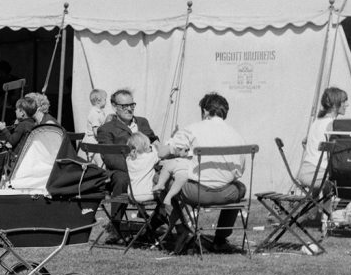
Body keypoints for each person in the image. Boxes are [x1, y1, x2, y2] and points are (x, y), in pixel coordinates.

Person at [159, 92, 247, 253]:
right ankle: (221, 239)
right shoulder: (237, 135)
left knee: (161, 179)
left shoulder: (192, 129)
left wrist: (174, 148)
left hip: (196, 192)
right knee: (240, 187)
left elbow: (162, 153)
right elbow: (239, 171)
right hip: (226, 194)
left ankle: (182, 229)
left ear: (205, 111)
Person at [96, 89, 158, 237]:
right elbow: (110, 159)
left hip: (149, 169)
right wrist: (137, 168)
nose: (129, 109)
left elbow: (155, 141)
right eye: (124, 106)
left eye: (132, 105)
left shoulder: (143, 122)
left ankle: (156, 223)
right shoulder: (106, 129)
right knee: (121, 178)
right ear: (114, 106)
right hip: (122, 171)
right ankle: (116, 228)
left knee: (169, 176)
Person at [297, 87, 348, 185]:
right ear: (334, 104)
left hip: (305, 171)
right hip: (317, 174)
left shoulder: (317, 122)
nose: (347, 104)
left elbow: (304, 142)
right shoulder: (331, 124)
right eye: (344, 101)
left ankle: (321, 199)